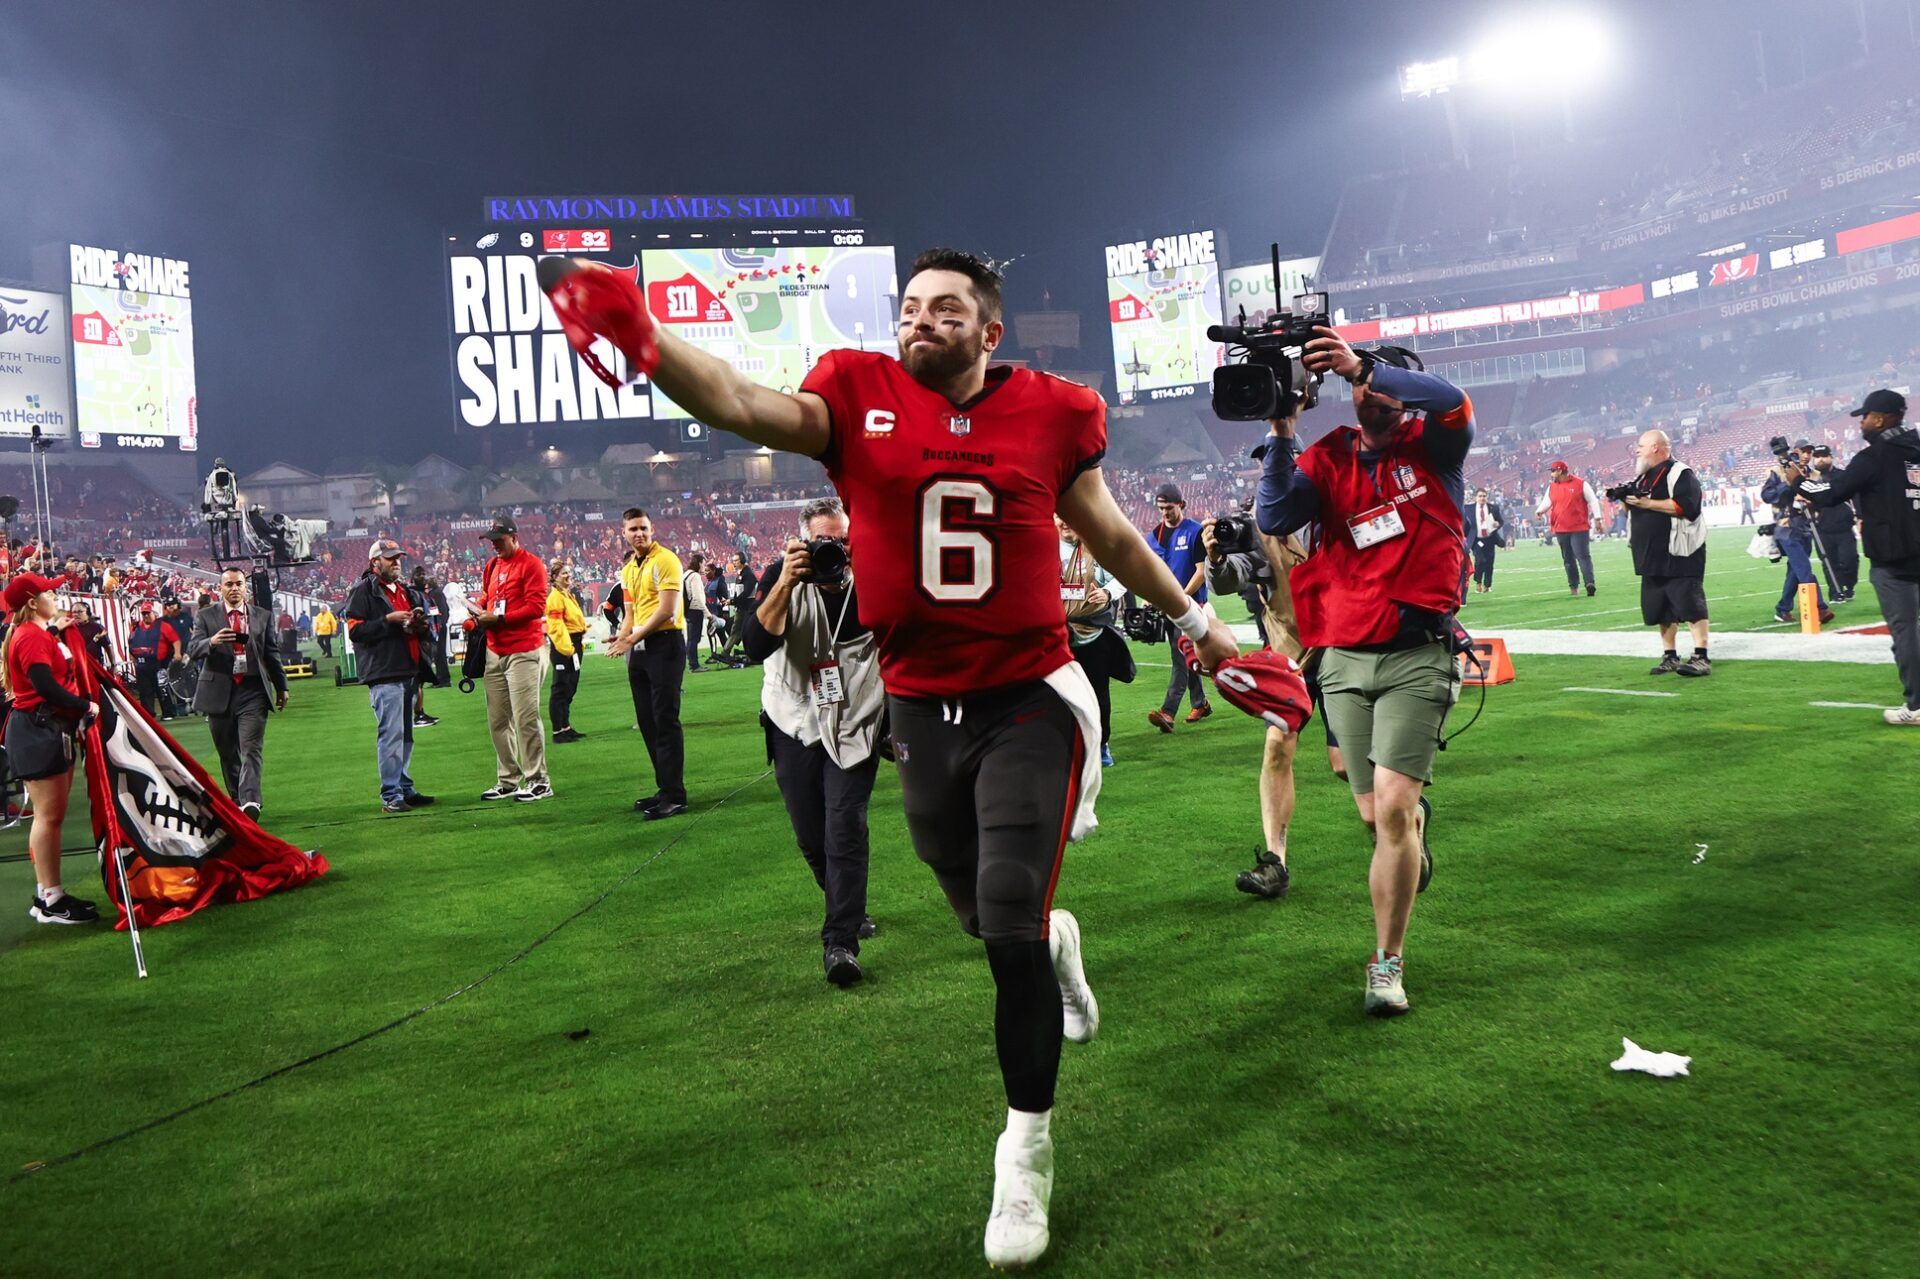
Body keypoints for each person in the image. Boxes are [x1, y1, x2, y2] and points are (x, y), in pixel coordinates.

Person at [544, 245, 1237, 1268]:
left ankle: (1025, 1148)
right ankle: (1051, 941)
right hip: (917, 702)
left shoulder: (1050, 411)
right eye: (910, 306)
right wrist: (647, 341)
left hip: (1029, 696)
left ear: (989, 330)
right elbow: (739, 398)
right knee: (981, 915)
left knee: (1002, 916)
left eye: (946, 309)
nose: (921, 321)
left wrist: (1202, 625)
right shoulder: (855, 393)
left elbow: (1117, 536)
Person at [1257, 332, 1464, 1018]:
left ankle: (1386, 962)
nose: (1368, 394)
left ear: (1403, 394)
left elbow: (1455, 401)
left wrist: (1364, 365)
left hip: (1415, 652)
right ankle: (1407, 829)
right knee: (1373, 811)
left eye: (1382, 385)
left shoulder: (1434, 447)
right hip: (1343, 654)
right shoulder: (1331, 456)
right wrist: (1282, 433)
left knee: (1396, 809)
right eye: (1359, 386)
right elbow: (1275, 514)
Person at [1206, 411, 1348, 904]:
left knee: (1346, 766)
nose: (1268, 477)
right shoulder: (1258, 529)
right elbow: (1231, 577)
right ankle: (1275, 861)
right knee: (1277, 747)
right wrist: (1217, 559)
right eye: (1264, 468)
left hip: (1348, 649)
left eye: (1276, 466)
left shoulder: (1335, 513)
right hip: (1293, 658)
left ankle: (1405, 814)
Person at [740, 498, 883, 986]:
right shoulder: (780, 574)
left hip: (855, 721)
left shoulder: (873, 579)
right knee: (810, 834)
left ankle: (840, 941)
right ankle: (844, 902)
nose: (836, 551)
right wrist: (786, 579)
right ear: (802, 542)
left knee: (844, 825)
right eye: (825, 542)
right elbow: (755, 644)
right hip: (792, 720)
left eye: (844, 542)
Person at [1787, 389, 1920, 724]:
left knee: (1906, 633)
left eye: (1865, 416)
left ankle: (1917, 706)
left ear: (1879, 418)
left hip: (1896, 559)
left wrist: (1798, 483)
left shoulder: (1875, 457)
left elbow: (1832, 493)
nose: (1861, 423)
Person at [2, 571, 100, 924]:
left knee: (51, 816)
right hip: (37, 729)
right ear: (32, 602)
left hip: (41, 728)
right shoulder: (29, 635)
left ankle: (51, 894)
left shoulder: (33, 632)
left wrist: (57, 629)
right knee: (48, 816)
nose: (55, 597)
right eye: (48, 593)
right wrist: (85, 706)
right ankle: (49, 899)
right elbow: (46, 685)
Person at [342, 542, 436, 814]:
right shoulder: (362, 591)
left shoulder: (407, 592)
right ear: (375, 563)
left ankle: (404, 787)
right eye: (389, 559)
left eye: (398, 558)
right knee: (392, 736)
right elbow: (355, 631)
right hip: (385, 673)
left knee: (405, 737)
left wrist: (418, 626)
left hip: (409, 671)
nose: (396, 562)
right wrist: (389, 620)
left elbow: (425, 629)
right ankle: (391, 795)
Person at [187, 567, 289, 817]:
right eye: (229, 584)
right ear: (220, 588)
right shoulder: (206, 616)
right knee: (227, 752)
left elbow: (271, 653)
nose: (234, 588)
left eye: (239, 584)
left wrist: (282, 685)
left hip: (252, 691)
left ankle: (251, 801)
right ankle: (237, 802)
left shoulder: (262, 616)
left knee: (251, 748)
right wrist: (211, 642)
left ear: (246, 587)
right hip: (218, 691)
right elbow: (193, 649)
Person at [607, 508, 688, 819]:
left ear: (652, 530)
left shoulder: (666, 559)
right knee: (647, 720)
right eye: (633, 529)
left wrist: (632, 636)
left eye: (643, 528)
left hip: (665, 644)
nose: (638, 533)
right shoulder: (629, 568)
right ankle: (664, 788)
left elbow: (667, 610)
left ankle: (675, 794)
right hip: (640, 647)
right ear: (624, 533)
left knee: (665, 719)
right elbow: (630, 612)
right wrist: (621, 636)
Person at [468, 515, 553, 803]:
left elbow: (536, 607)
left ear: (514, 536)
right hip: (495, 650)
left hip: (524, 650)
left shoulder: (532, 565)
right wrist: (476, 614)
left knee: (526, 717)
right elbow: (487, 600)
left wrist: (499, 618)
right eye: (490, 541)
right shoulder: (492, 566)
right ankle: (507, 780)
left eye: (498, 540)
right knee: (498, 721)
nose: (493, 545)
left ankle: (539, 780)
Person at [1619, 431, 1712, 677]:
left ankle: (1701, 657)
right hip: (1651, 555)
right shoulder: (1643, 477)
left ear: (1657, 447)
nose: (1637, 450)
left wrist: (1647, 504)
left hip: (1680, 551)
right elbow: (1631, 511)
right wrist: (1626, 502)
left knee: (1690, 603)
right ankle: (1670, 656)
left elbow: (1688, 507)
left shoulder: (1681, 473)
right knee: (1660, 607)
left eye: (1641, 446)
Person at [1056, 514, 1132, 768]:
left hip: (1093, 634)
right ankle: (1068, 745)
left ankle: (1101, 744)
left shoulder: (1096, 546)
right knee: (1059, 696)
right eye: (1059, 517)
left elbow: (1123, 573)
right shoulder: (1045, 547)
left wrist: (1108, 592)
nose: (1066, 522)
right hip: (1058, 637)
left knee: (1099, 695)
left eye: (1070, 516)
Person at [1144, 482, 1212, 731]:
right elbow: (1155, 573)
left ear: (1181, 505)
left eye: (1169, 508)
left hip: (1192, 606)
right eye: (1161, 508)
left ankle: (1168, 712)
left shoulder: (1195, 532)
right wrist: (1150, 595)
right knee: (1185, 655)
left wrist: (1179, 597)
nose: (1164, 513)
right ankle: (1200, 702)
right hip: (1169, 607)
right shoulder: (1155, 536)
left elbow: (1201, 572)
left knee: (1179, 657)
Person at [1761, 443, 1835, 626]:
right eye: (1804, 452)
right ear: (1795, 452)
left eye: (1810, 452)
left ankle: (1783, 608)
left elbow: (1822, 501)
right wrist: (1788, 490)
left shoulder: (1815, 475)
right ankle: (1820, 607)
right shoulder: (1777, 471)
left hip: (1807, 527)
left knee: (1796, 570)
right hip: (1785, 527)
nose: (1807, 455)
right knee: (1803, 568)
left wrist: (1809, 500)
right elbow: (1766, 495)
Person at [1801, 445, 1860, 603]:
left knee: (1850, 560)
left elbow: (1856, 497)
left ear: (1831, 457)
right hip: (1822, 528)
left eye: (1824, 455)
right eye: (1818, 456)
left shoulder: (1844, 476)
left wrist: (1860, 517)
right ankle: (1835, 592)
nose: (1821, 459)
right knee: (1829, 563)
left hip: (1844, 528)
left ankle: (1849, 585)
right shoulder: (1811, 479)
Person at [1536, 460, 1602, 596]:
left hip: (1579, 527)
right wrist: (1539, 510)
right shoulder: (1552, 487)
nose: (1552, 474)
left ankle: (1589, 583)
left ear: (1560, 471)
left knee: (1582, 556)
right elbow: (1547, 501)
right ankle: (1574, 586)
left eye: (1553, 471)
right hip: (1561, 528)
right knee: (1568, 559)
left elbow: (1593, 500)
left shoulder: (1581, 484)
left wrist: (1598, 518)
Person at [546, 559, 588, 743]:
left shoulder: (566, 594)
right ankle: (558, 732)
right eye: (564, 573)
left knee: (570, 688)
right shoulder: (555, 597)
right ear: (555, 577)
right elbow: (555, 626)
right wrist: (567, 649)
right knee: (560, 689)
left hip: (574, 645)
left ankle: (566, 726)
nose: (568, 576)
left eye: (569, 572)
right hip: (565, 647)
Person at [127, 599, 175, 719]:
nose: (146, 616)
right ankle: (148, 714)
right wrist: (133, 658)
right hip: (142, 664)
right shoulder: (136, 627)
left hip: (159, 663)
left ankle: (168, 712)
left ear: (155, 613)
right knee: (145, 690)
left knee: (162, 688)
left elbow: (173, 641)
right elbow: (131, 642)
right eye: (144, 613)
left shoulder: (164, 626)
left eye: (148, 613)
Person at [1468, 487, 1507, 593]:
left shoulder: (1493, 508)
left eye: (1484, 496)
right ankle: (1478, 582)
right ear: (1475, 497)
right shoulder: (1468, 509)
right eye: (1480, 496)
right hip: (1477, 540)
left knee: (1489, 563)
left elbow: (1500, 521)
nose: (1482, 498)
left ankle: (1487, 585)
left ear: (1487, 497)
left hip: (1489, 539)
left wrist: (1497, 524)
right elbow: (1465, 524)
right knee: (1480, 560)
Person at [683, 551, 709, 672]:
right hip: (695, 610)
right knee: (694, 639)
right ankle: (694, 665)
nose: (704, 567)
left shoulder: (686, 574)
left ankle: (692, 662)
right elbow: (697, 597)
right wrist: (707, 613)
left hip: (687, 610)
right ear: (699, 563)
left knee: (691, 638)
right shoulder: (695, 576)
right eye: (703, 564)